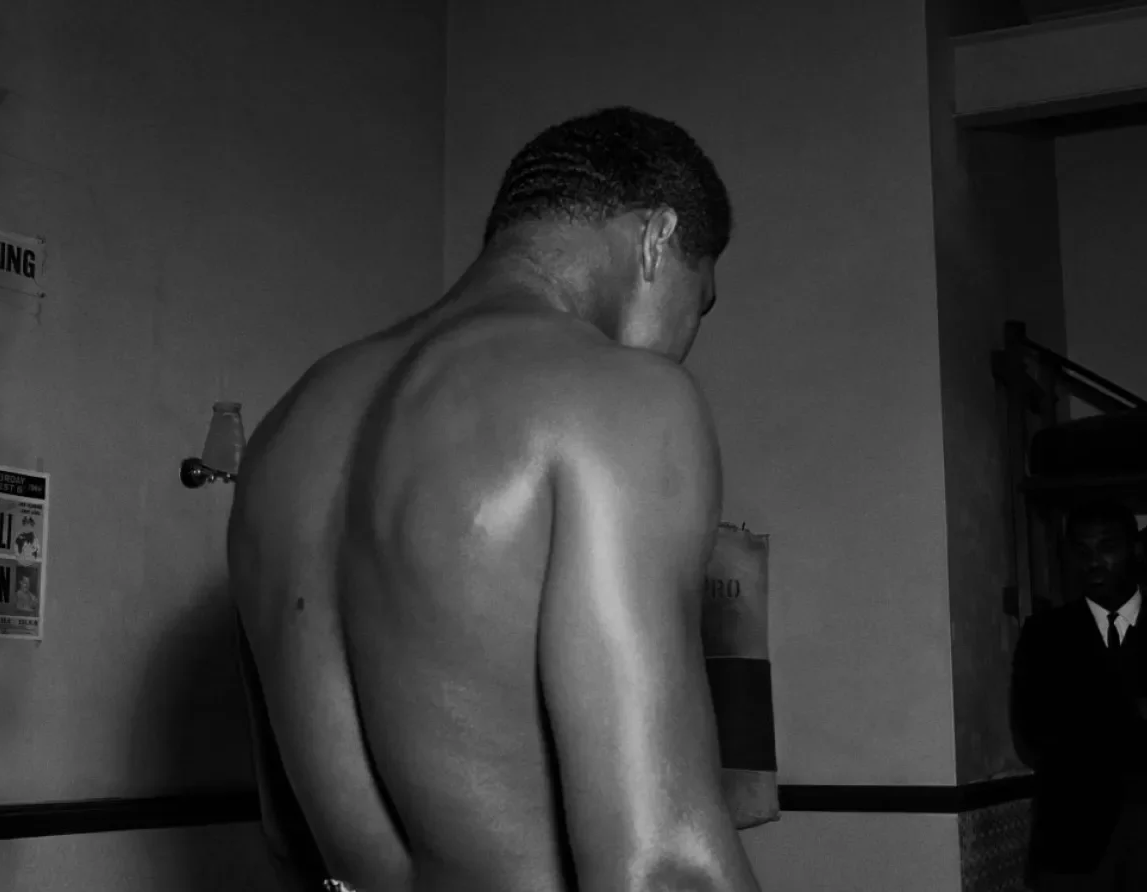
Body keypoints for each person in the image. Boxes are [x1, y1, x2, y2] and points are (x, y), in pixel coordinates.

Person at [226, 106, 760, 892]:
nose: (687, 339)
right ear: (656, 237)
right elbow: (661, 868)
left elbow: (288, 834)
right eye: (700, 302)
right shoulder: (620, 398)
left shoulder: (283, 433)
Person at [1011, 501, 1147, 891]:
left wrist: (1085, 713)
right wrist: (1139, 714)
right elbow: (1034, 736)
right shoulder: (1044, 635)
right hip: (1071, 844)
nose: (1093, 561)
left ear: (1134, 548)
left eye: (1107, 546)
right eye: (1081, 550)